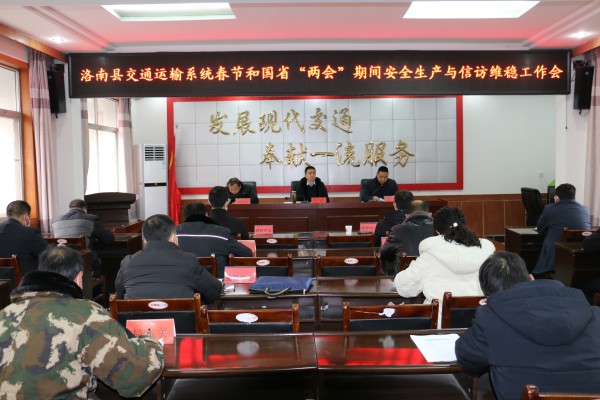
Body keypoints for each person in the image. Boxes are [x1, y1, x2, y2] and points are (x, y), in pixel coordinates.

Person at [0, 245, 164, 399]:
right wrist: (152, 343)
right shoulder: (86, 314)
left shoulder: (4, 314)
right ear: (79, 278)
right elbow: (135, 375)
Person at [455, 252, 600, 400]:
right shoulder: (595, 314)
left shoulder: (490, 319)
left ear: (489, 297)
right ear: (531, 278)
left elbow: (468, 360)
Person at [393, 206, 495, 324]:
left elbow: (405, 287)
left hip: (440, 327)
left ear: (437, 231)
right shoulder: (487, 253)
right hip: (481, 324)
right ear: (464, 225)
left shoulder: (431, 254)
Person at [115, 214, 223, 302]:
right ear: (173, 237)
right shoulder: (189, 261)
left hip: (136, 322)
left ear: (144, 240)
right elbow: (214, 292)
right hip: (181, 322)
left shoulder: (127, 263)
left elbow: (120, 294)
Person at [177, 202, 252, 278]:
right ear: (206, 214)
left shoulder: (174, 234)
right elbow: (247, 253)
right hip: (216, 282)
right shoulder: (221, 233)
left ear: (185, 217)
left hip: (182, 282)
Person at [532, 183, 590, 278]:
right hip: (580, 253)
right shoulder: (585, 210)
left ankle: (541, 274)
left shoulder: (550, 209)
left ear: (557, 197)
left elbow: (540, 229)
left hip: (556, 253)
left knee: (548, 238)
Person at [52, 198, 115, 277]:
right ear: (85, 209)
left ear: (70, 208)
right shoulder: (91, 218)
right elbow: (108, 239)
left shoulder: (55, 221)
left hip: (61, 264)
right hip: (83, 264)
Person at [380, 200, 434, 275]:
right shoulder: (439, 229)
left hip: (405, 276)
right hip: (433, 276)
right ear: (430, 214)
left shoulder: (397, 230)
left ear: (407, 216)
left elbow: (384, 254)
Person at [0, 200, 48, 280]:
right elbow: (48, 254)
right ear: (25, 216)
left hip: (2, 284)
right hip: (25, 283)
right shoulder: (29, 233)